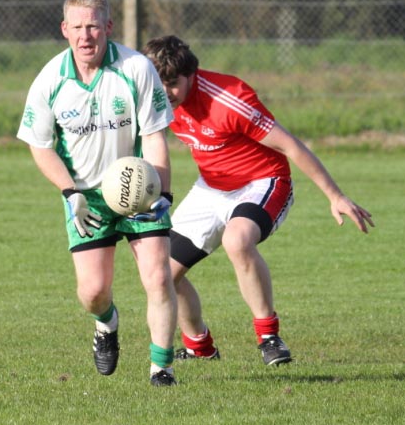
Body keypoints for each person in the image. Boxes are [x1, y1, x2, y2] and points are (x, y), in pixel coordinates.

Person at [142, 35, 374, 367]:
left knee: (237, 240)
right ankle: (199, 347)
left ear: (191, 73)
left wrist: (335, 195)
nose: (165, 92)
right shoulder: (154, 99)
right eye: (158, 84)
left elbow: (290, 145)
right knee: (161, 271)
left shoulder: (228, 99)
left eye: (172, 83)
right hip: (211, 187)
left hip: (262, 182)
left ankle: (269, 337)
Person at [17, 0, 178, 387]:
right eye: (77, 27)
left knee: (158, 277)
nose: (85, 35)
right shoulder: (49, 81)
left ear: (107, 26)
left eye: (93, 25)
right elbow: (41, 147)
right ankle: (107, 324)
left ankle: (162, 368)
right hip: (85, 197)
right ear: (64, 30)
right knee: (92, 292)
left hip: (140, 189)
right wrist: (70, 192)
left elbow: (156, 136)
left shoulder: (136, 68)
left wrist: (163, 195)